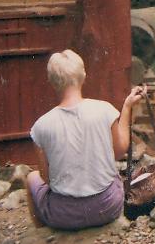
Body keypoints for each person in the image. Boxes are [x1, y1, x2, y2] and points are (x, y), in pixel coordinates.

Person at [25, 49, 146, 230]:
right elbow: (120, 150)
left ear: (51, 82)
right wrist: (127, 105)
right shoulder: (104, 109)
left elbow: (46, 178)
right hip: (107, 208)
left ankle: (43, 233)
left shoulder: (41, 126)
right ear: (83, 76)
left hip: (63, 216)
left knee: (31, 177)